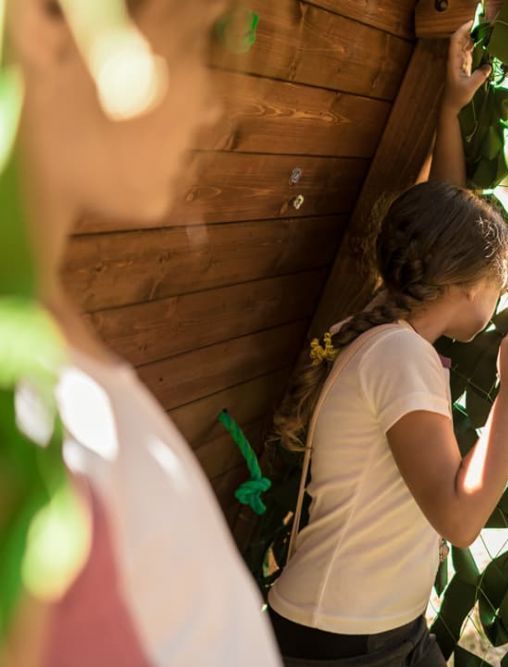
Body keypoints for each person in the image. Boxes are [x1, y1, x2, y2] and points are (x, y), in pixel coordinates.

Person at [264, 23, 508, 667]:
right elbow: (458, 519)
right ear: (458, 281)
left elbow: (440, 217)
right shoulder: (400, 357)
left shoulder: (384, 328)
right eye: (497, 278)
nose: (499, 292)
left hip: (361, 630)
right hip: (344, 644)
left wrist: (448, 111)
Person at [9, 0, 282, 664]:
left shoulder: (48, 335)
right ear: (48, 19)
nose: (218, 105)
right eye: (202, 40)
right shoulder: (17, 404)